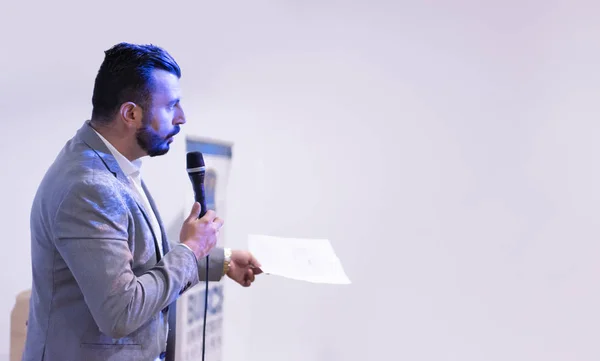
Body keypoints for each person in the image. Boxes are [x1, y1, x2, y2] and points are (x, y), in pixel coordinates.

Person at [22, 42, 262, 361]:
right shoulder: (89, 187)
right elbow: (122, 311)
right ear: (131, 113)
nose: (182, 117)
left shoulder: (112, 163)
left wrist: (223, 260)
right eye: (171, 106)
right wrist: (190, 250)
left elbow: (138, 265)